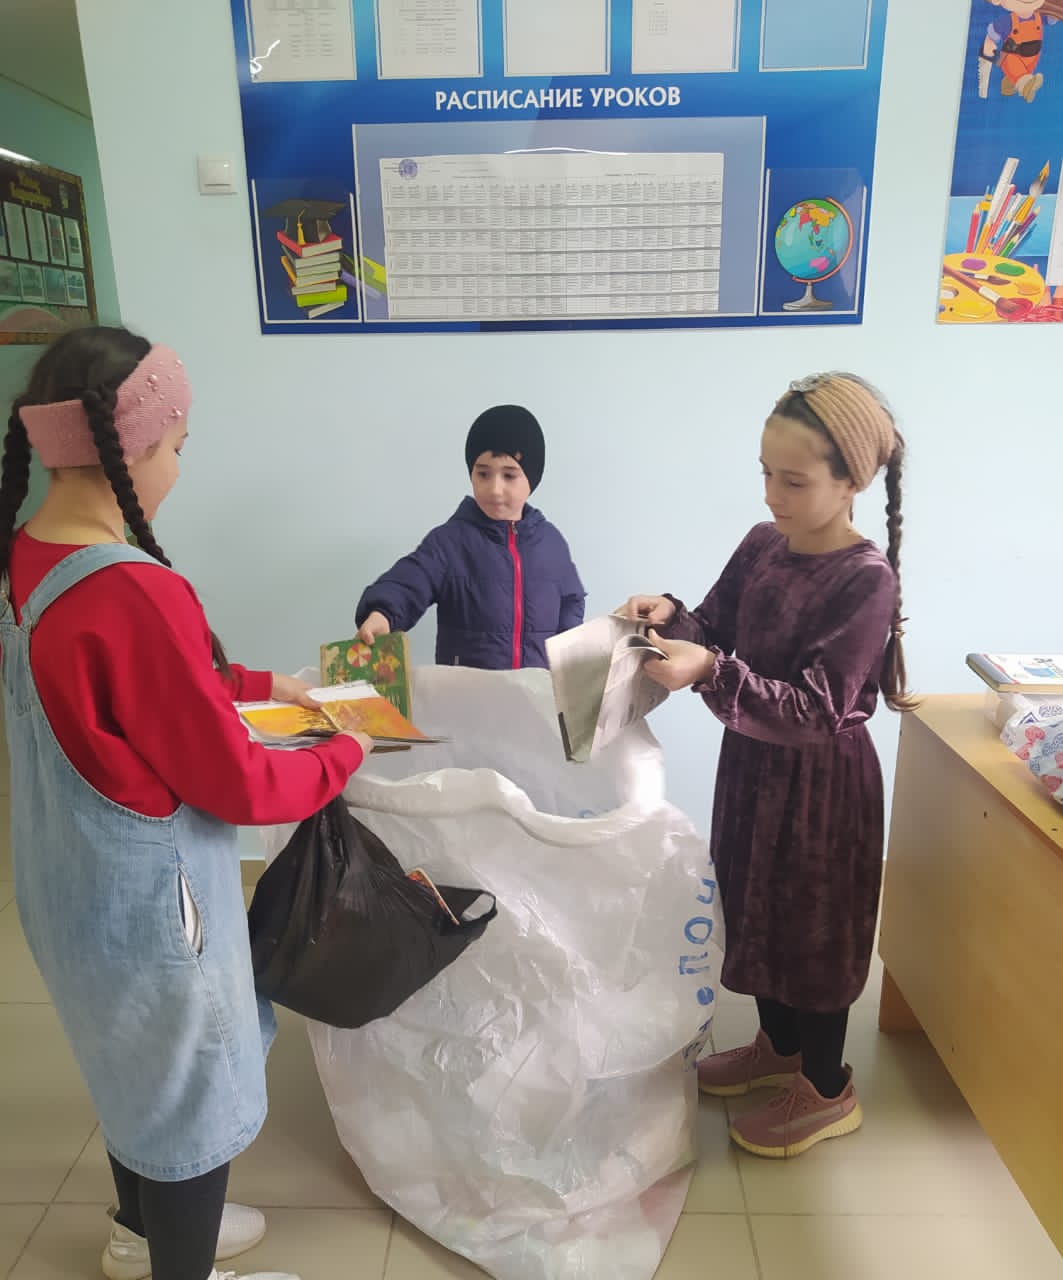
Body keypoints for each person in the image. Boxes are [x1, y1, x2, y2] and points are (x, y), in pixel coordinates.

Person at [0, 326, 373, 1280]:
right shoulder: (137, 592)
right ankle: (183, 1265)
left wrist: (264, 685)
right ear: (127, 448)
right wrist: (344, 751)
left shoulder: (27, 557)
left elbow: (140, 688)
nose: (179, 466)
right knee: (190, 1095)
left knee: (129, 1068)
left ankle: (138, 1237)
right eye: (178, 444)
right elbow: (239, 783)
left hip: (67, 895)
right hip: (152, 915)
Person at [622, 371, 915, 1160]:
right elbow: (713, 625)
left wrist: (710, 671)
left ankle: (825, 1087)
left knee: (813, 935)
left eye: (792, 481)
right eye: (764, 474)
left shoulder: (864, 579)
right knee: (756, 913)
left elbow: (818, 708)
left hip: (822, 789)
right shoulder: (762, 545)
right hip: (752, 770)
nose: (769, 496)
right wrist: (670, 616)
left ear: (850, 482)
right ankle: (777, 1049)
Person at [355, 404, 585, 668]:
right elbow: (411, 579)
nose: (494, 489)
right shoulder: (450, 542)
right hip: (467, 690)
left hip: (536, 689)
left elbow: (572, 600)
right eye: (483, 473)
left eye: (509, 475)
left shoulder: (551, 543)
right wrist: (383, 613)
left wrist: (567, 657)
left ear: (532, 478)